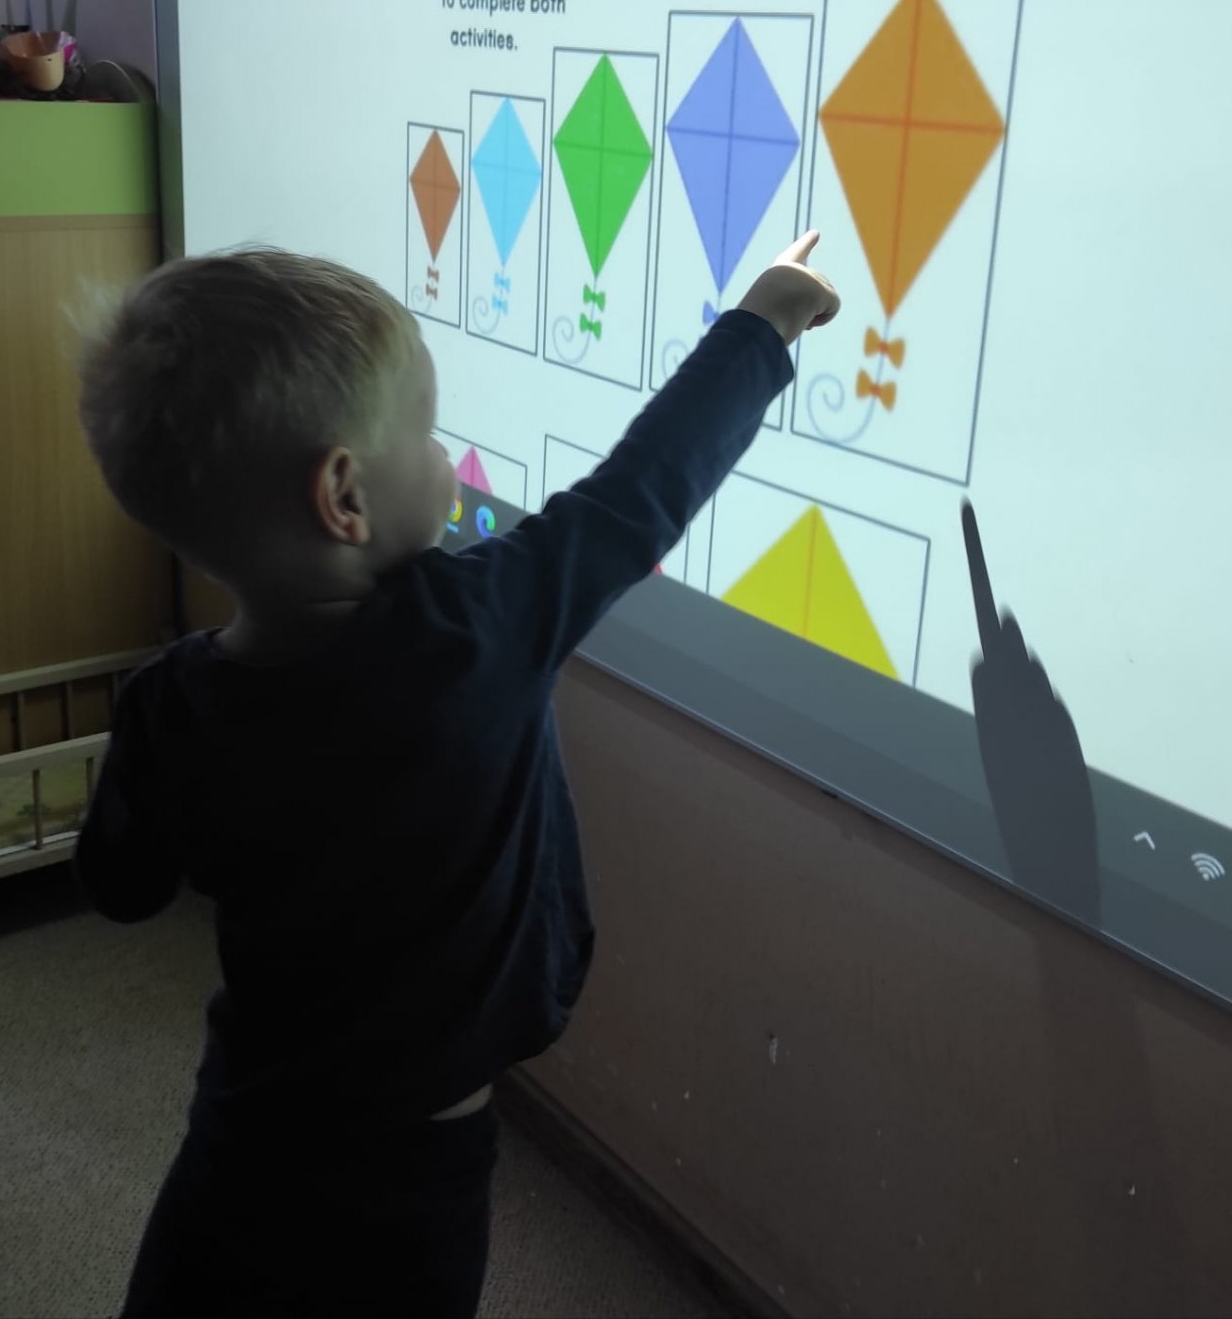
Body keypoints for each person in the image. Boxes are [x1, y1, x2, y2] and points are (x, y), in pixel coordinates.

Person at [73, 235, 839, 1317]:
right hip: (413, 1182)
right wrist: (765, 320)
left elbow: (121, 885)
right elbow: (641, 491)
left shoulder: (170, 705)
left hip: (245, 1143)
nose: (446, 456)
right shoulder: (483, 630)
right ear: (344, 495)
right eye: (428, 435)